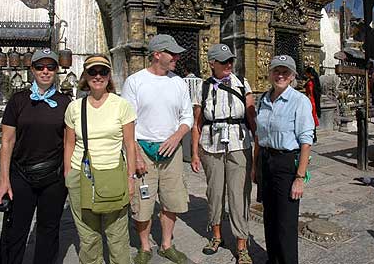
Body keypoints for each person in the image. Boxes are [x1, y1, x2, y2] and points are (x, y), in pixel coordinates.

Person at [121, 34, 193, 264]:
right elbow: (127, 122)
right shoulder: (135, 82)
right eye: (172, 53)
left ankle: (166, 244)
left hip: (172, 152)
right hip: (143, 151)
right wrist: (135, 155)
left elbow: (187, 116)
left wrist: (177, 136)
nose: (177, 57)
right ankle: (144, 246)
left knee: (172, 200)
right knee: (142, 204)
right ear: (157, 54)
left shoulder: (178, 82)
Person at [0, 48, 70, 264]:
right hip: (21, 175)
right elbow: (7, 141)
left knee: (48, 230)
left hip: (53, 177)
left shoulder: (65, 103)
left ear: (56, 71)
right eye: (40, 67)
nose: (45, 71)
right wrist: (3, 181)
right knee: (16, 229)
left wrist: (67, 175)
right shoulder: (18, 100)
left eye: (50, 67)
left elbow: (68, 142)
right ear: (32, 70)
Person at [64, 54, 136, 264]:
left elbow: (129, 144)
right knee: (88, 237)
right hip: (81, 175)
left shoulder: (121, 105)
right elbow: (68, 143)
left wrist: (131, 178)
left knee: (118, 235)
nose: (98, 76)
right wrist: (68, 173)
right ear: (85, 76)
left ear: (109, 76)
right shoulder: (75, 107)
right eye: (92, 72)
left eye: (103, 71)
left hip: (113, 173)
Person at [190, 44, 256, 264]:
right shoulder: (204, 87)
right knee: (215, 192)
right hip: (211, 145)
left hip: (239, 144)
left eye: (230, 60)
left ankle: (241, 244)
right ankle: (216, 236)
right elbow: (197, 123)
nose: (228, 64)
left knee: (239, 195)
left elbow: (251, 118)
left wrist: (259, 149)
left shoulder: (242, 84)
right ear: (212, 64)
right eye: (223, 61)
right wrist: (194, 153)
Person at [253, 55, 314, 264]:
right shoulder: (263, 99)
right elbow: (259, 138)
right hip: (266, 160)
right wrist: (255, 167)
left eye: (285, 72)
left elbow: (306, 142)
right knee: (269, 218)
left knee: (286, 223)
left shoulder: (299, 101)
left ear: (292, 76)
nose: (280, 75)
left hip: (287, 163)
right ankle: (273, 260)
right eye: (276, 71)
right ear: (270, 73)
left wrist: (300, 177)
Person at [304, 66, 321, 143]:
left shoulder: (310, 82)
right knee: (313, 119)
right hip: (314, 101)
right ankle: (314, 136)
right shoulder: (314, 80)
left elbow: (310, 93)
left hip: (311, 102)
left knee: (311, 119)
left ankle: (314, 136)